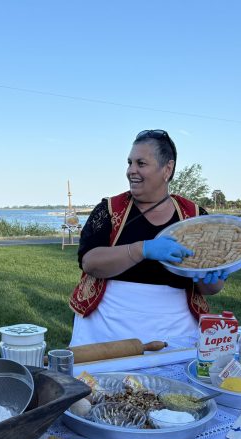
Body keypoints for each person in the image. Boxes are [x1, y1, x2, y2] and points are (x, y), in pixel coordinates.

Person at [69, 129, 227, 346]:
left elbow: (213, 288)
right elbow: (90, 263)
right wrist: (141, 249)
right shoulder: (108, 210)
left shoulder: (195, 217)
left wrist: (209, 276)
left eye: (141, 163)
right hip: (107, 331)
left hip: (175, 332)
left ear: (167, 169)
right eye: (129, 162)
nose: (131, 171)